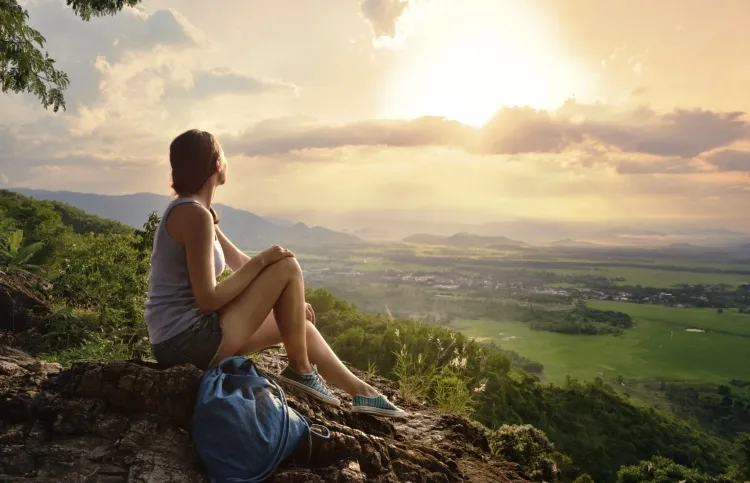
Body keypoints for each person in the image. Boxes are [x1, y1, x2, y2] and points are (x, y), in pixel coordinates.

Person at [144, 129, 404, 418]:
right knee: (288, 265)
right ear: (216, 164)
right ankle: (301, 371)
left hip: (186, 338)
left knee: (296, 326)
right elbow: (208, 299)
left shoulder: (200, 213)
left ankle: (362, 393)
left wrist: (288, 302)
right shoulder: (193, 215)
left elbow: (240, 263)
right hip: (185, 341)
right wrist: (266, 260)